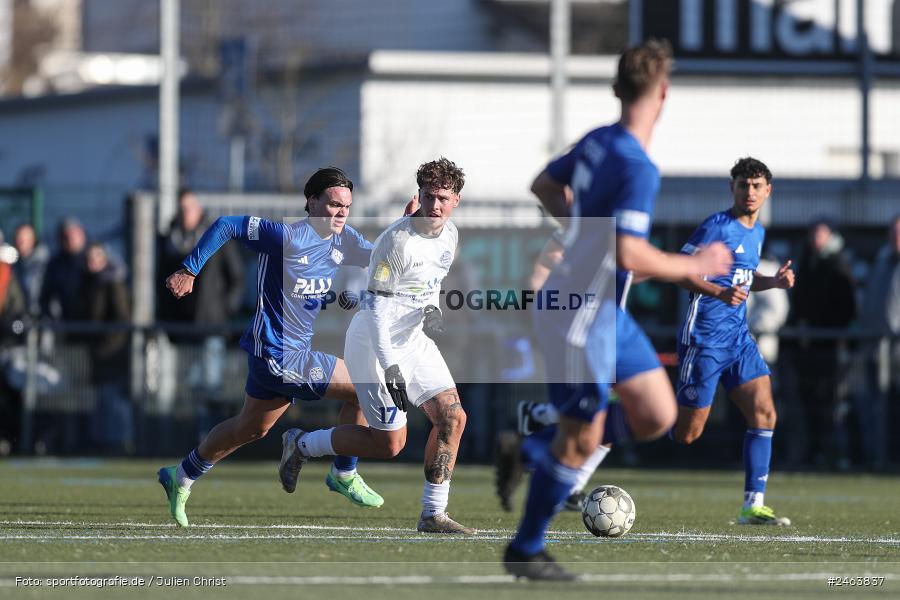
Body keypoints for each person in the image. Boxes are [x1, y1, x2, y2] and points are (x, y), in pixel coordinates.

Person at [501, 40, 732, 581]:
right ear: (665, 92)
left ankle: (536, 446)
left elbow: (542, 184)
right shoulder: (637, 165)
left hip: (603, 311)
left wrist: (582, 230)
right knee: (583, 436)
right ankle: (526, 548)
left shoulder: (598, 142)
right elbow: (630, 253)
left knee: (657, 414)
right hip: (581, 313)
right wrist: (693, 266)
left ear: (615, 89)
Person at [157, 167, 384, 527]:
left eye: (347, 206)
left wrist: (408, 228)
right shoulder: (287, 236)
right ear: (311, 202)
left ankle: (181, 476)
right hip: (280, 355)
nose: (341, 212)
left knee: (249, 429)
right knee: (363, 388)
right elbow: (226, 224)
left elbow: (381, 258)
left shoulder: (344, 240)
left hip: (279, 356)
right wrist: (190, 269)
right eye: (333, 204)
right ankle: (342, 473)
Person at [279, 158, 475, 534]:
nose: (435, 206)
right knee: (389, 446)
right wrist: (392, 368)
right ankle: (302, 443)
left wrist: (432, 309)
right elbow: (377, 313)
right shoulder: (397, 241)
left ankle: (433, 514)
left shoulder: (450, 235)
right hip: (374, 345)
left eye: (444, 199)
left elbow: (429, 282)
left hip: (413, 340)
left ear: (456, 201)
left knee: (453, 417)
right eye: (429, 196)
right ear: (418, 195)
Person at [670, 157, 794, 525]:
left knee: (765, 413)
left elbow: (744, 274)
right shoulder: (716, 226)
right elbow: (679, 269)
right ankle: (621, 416)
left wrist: (772, 282)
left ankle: (752, 505)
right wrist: (717, 293)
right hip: (705, 340)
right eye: (743, 185)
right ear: (733, 188)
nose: (750, 192)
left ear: (768, 190)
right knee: (687, 434)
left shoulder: (756, 233)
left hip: (738, 340)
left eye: (757, 186)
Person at [157, 189, 244, 436]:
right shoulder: (170, 240)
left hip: (211, 323)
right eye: (181, 209)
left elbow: (235, 277)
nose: (185, 214)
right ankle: (188, 434)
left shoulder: (215, 237)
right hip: (183, 325)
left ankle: (210, 436)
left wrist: (224, 309)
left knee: (210, 383)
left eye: (189, 208)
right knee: (188, 384)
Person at [788, 218, 856, 467]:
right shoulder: (807, 261)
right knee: (811, 401)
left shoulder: (838, 264)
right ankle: (815, 451)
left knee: (832, 403)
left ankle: (839, 454)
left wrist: (826, 329)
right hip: (809, 346)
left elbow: (845, 306)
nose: (815, 240)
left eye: (820, 234)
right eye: (813, 234)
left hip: (829, 346)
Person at [79, 242, 133, 454]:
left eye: (97, 258)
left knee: (113, 401)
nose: (92, 263)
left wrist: (106, 344)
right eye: (89, 258)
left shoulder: (112, 283)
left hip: (111, 354)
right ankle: (102, 442)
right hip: (97, 353)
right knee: (101, 401)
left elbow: (122, 319)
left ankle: (119, 443)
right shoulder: (88, 283)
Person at [39, 218, 87, 322]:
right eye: (66, 237)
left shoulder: (93, 259)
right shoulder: (55, 264)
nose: (70, 240)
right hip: (66, 323)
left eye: (73, 236)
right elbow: (45, 296)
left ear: (82, 235)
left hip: (93, 324)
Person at [12, 223, 49, 316]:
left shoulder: (45, 265)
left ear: (33, 240)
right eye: (18, 237)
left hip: (41, 319)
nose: (20, 241)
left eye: (24, 238)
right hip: (21, 319)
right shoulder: (15, 265)